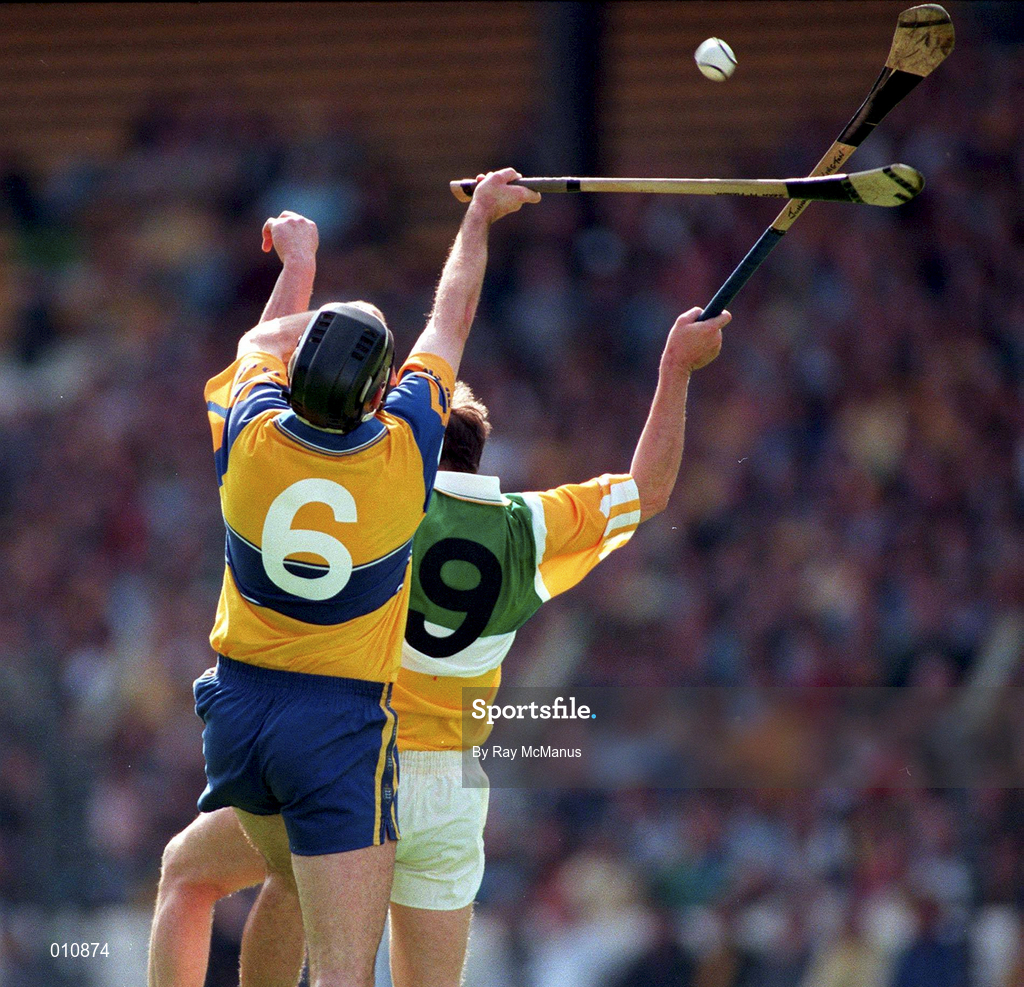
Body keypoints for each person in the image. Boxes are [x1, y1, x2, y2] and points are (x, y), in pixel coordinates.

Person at [149, 212, 728, 987]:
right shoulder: (523, 524)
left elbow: (279, 352)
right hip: (448, 787)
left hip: (357, 753)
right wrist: (676, 370)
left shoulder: (368, 489)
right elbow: (648, 490)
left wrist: (308, 266)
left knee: (255, 884)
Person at [153, 169, 541, 987]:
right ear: (378, 396)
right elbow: (452, 316)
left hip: (237, 709)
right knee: (341, 971)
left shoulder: (248, 439)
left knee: (243, 878)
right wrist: (477, 220)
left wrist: (301, 267)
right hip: (337, 726)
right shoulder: (403, 458)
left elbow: (258, 346)